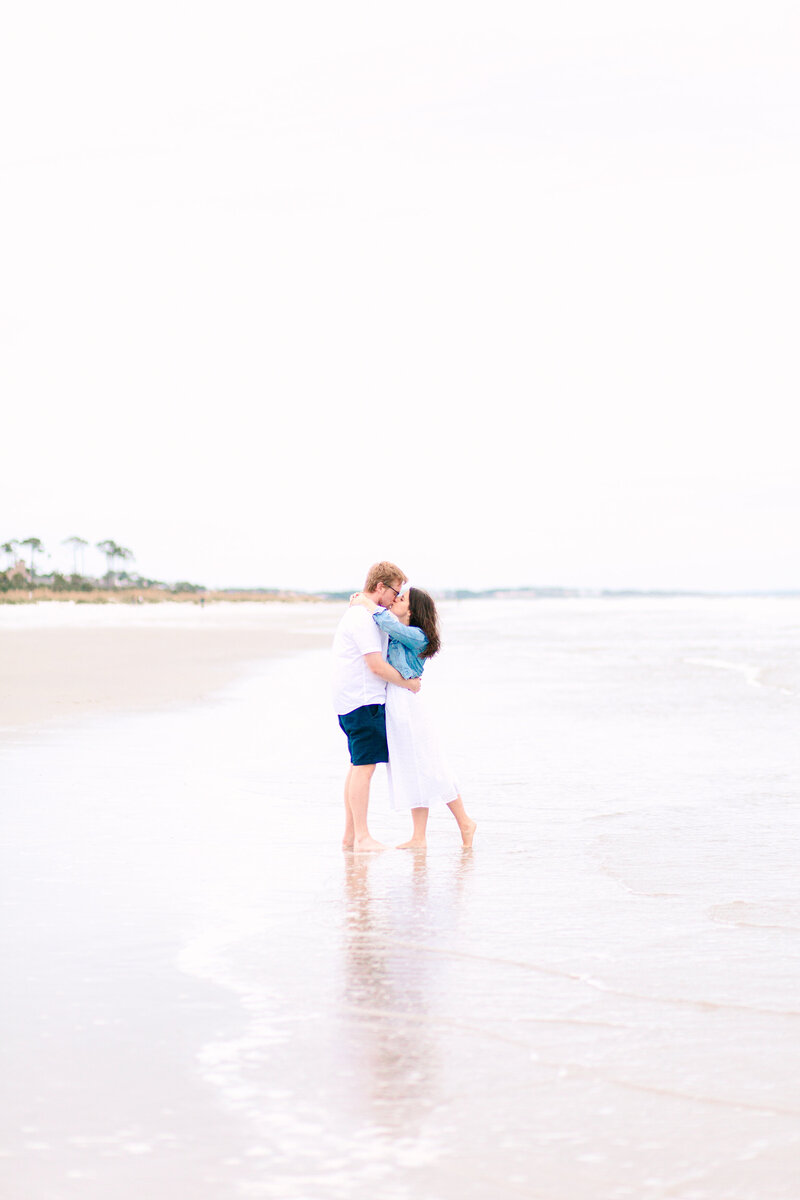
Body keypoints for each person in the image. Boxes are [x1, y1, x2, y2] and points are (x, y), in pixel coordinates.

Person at [350, 586, 476, 850]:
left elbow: (387, 623)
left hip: (409, 706)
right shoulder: (398, 631)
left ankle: (465, 822)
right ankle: (419, 836)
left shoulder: (416, 636)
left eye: (402, 598)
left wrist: (368, 604)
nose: (396, 599)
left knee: (431, 766)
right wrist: (364, 603)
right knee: (414, 769)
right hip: (397, 704)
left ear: (412, 609)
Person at [332, 561, 422, 853]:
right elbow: (375, 665)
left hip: (352, 700)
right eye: (395, 591)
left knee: (358, 766)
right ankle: (362, 837)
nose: (396, 597)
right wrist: (408, 683)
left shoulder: (363, 613)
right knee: (364, 769)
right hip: (364, 701)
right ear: (380, 587)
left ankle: (350, 836)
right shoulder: (362, 618)